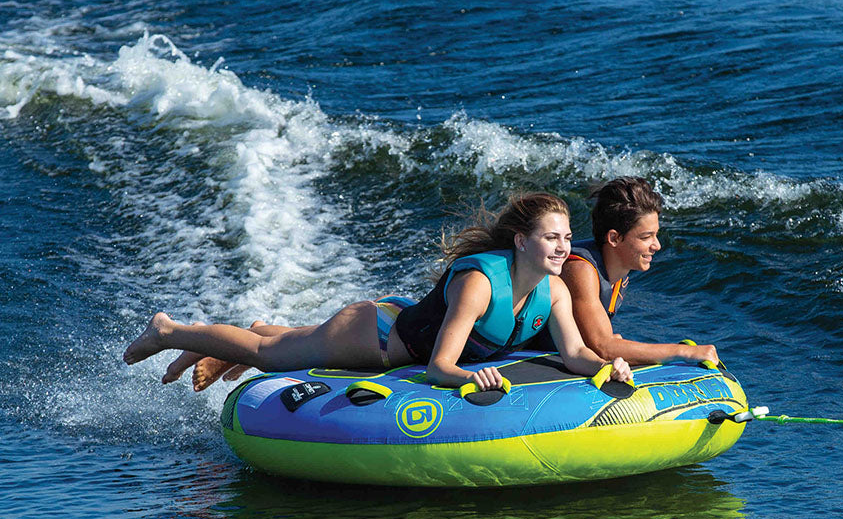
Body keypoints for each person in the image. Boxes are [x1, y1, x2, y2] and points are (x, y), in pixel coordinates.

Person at [123, 193, 632, 392]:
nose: (564, 247)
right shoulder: (479, 284)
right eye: (551, 238)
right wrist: (475, 379)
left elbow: (576, 353)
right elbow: (440, 367)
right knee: (269, 355)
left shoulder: (556, 291)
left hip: (408, 322)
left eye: (567, 238)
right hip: (379, 337)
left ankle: (230, 334)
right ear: (522, 242)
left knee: (281, 341)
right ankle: (170, 331)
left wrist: (609, 367)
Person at [534, 177, 719, 366]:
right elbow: (603, 347)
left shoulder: (618, 270)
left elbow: (602, 342)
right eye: (646, 237)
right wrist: (684, 352)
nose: (657, 245)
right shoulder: (580, 269)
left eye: (656, 235)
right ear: (614, 238)